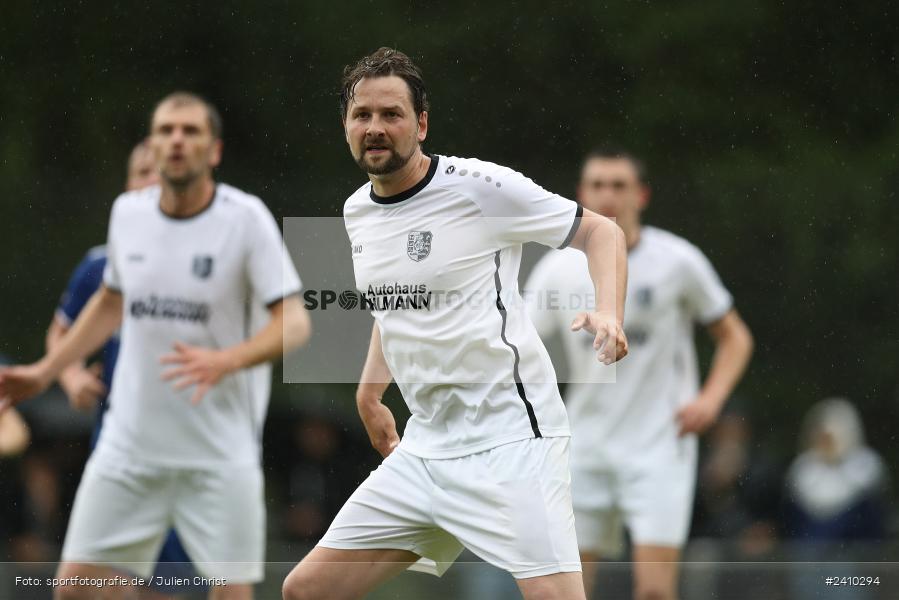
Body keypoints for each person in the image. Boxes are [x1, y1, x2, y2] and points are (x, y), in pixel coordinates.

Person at [282, 47, 628, 600]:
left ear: (420, 124)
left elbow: (601, 232)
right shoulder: (357, 211)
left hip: (513, 441)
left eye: (391, 114)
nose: (375, 127)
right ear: (346, 126)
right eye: (362, 115)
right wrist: (371, 392)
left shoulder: (480, 187)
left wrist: (609, 309)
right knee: (307, 590)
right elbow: (395, 305)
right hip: (426, 449)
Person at [0, 91, 311, 600]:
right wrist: (48, 370)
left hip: (217, 453)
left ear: (213, 150)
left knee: (228, 592)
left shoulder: (246, 219)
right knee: (75, 590)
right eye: (166, 130)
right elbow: (109, 304)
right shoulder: (128, 214)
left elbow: (295, 324)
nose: (176, 140)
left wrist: (226, 360)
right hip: (130, 448)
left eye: (190, 131)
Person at [525, 148, 754, 600]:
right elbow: (518, 348)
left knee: (653, 592)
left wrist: (710, 400)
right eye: (597, 185)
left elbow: (735, 337)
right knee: (571, 590)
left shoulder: (677, 260)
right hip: (583, 445)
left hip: (658, 447)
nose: (607, 195)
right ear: (580, 195)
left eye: (619, 185)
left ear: (642, 195)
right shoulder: (556, 268)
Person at [45, 139, 209, 599]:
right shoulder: (101, 266)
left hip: (187, 457)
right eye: (141, 171)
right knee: (82, 587)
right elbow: (61, 335)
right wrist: (71, 374)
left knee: (163, 590)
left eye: (162, 171)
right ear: (126, 188)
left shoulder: (211, 263)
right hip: (118, 453)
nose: (151, 180)